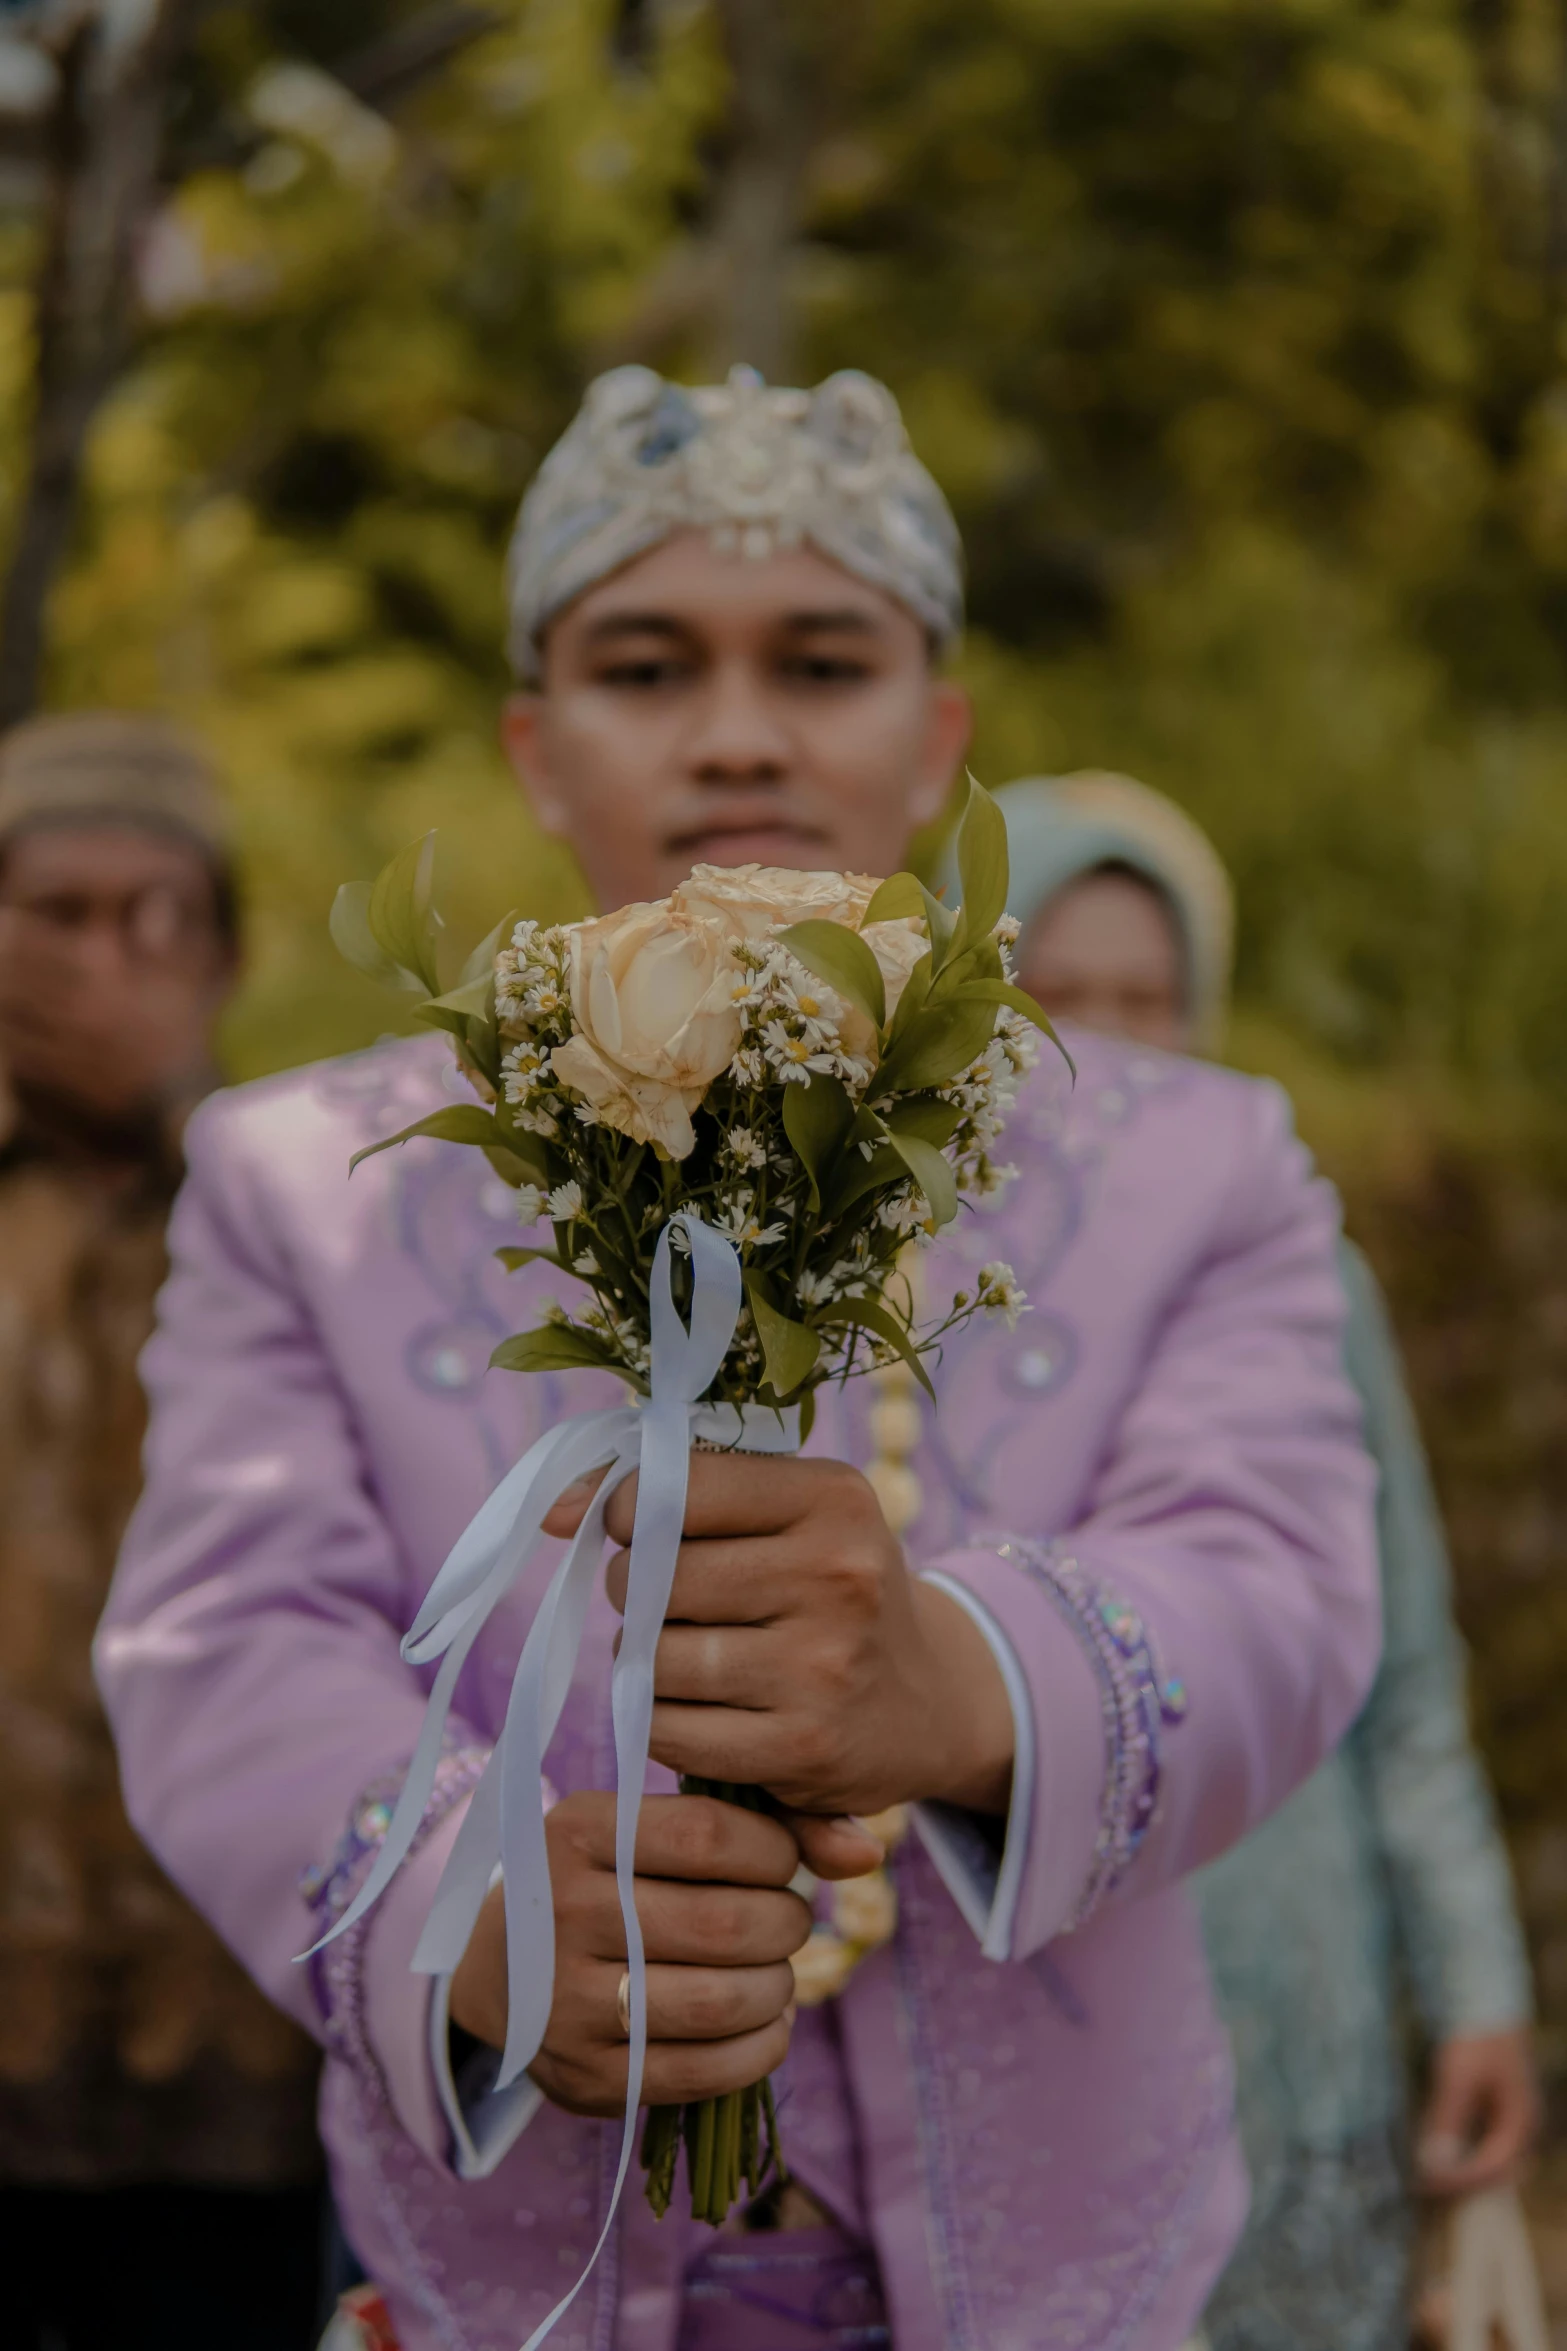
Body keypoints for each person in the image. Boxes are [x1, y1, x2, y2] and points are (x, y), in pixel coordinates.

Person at [97, 366, 1380, 2351]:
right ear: (537, 741)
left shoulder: (1192, 1155)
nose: (738, 736)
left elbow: (1282, 1569)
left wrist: (964, 1679)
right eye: (643, 664)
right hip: (518, 2274)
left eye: (821, 659)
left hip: (1061, 2272)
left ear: (940, 731)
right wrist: (473, 1900)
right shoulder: (307, 1176)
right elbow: (227, 1634)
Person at [993, 769, 1539, 2351]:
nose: (1103, 1041)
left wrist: (1477, 1982)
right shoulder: (907, 1306)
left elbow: (1406, 1678)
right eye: (1053, 996)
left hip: (1299, 2012)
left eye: (1146, 998)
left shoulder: (1306, 1278)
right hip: (1041, 2020)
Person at [0, 714, 326, 2349]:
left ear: (227, 953)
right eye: (60, 911)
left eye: (162, 918)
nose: (113, 958)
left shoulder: (293, 1217)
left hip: (232, 2058)